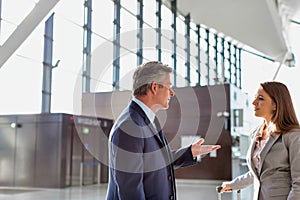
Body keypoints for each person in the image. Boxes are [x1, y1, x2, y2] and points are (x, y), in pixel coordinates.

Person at [106, 61, 221, 200]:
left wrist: (190, 152)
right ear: (154, 87)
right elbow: (131, 190)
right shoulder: (130, 127)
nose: (172, 93)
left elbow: (158, 161)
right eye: (169, 86)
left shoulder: (149, 120)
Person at [221, 81, 300, 199]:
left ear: (275, 104)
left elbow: (298, 182)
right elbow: (259, 173)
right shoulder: (256, 133)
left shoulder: (293, 135)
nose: (253, 103)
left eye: (261, 99)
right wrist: (233, 185)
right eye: (255, 98)